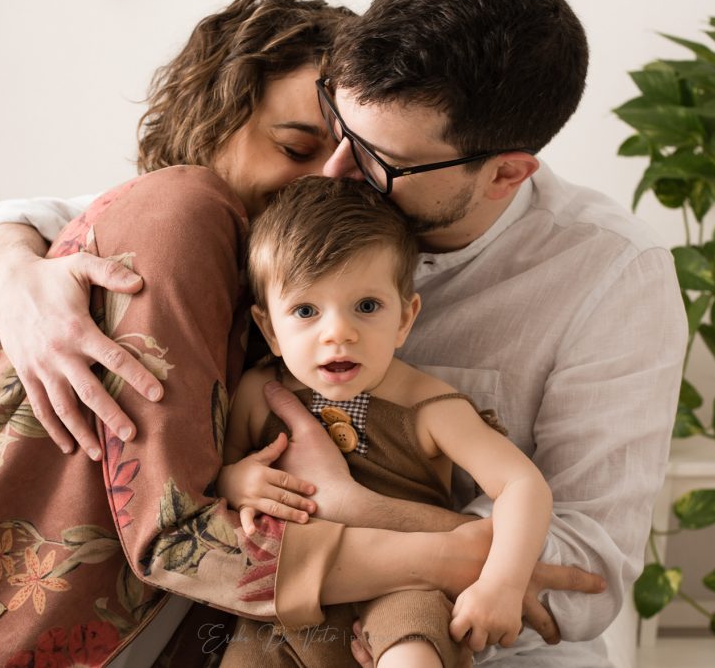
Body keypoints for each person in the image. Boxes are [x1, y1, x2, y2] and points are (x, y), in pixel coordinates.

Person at [0, 0, 558, 665]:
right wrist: (454, 553)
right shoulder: (185, 210)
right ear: (217, 119)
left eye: (354, 158)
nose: (327, 180)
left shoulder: (277, 289)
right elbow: (176, 539)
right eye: (296, 147)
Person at [0, 0, 681, 665]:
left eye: (383, 159)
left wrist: (354, 510)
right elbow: (68, 218)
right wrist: (14, 274)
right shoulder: (304, 203)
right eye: (340, 128)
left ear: (505, 173)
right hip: (274, 611)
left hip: (479, 634)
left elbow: (583, 570)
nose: (335, 173)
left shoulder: (612, 277)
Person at [217, 175, 552, 667]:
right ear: (268, 327)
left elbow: (523, 483)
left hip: (407, 584)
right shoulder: (257, 395)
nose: (339, 333)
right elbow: (214, 483)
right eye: (306, 310)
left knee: (412, 655)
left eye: (367, 307)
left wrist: (502, 582)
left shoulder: (429, 405)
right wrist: (237, 479)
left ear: (404, 319)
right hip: (298, 593)